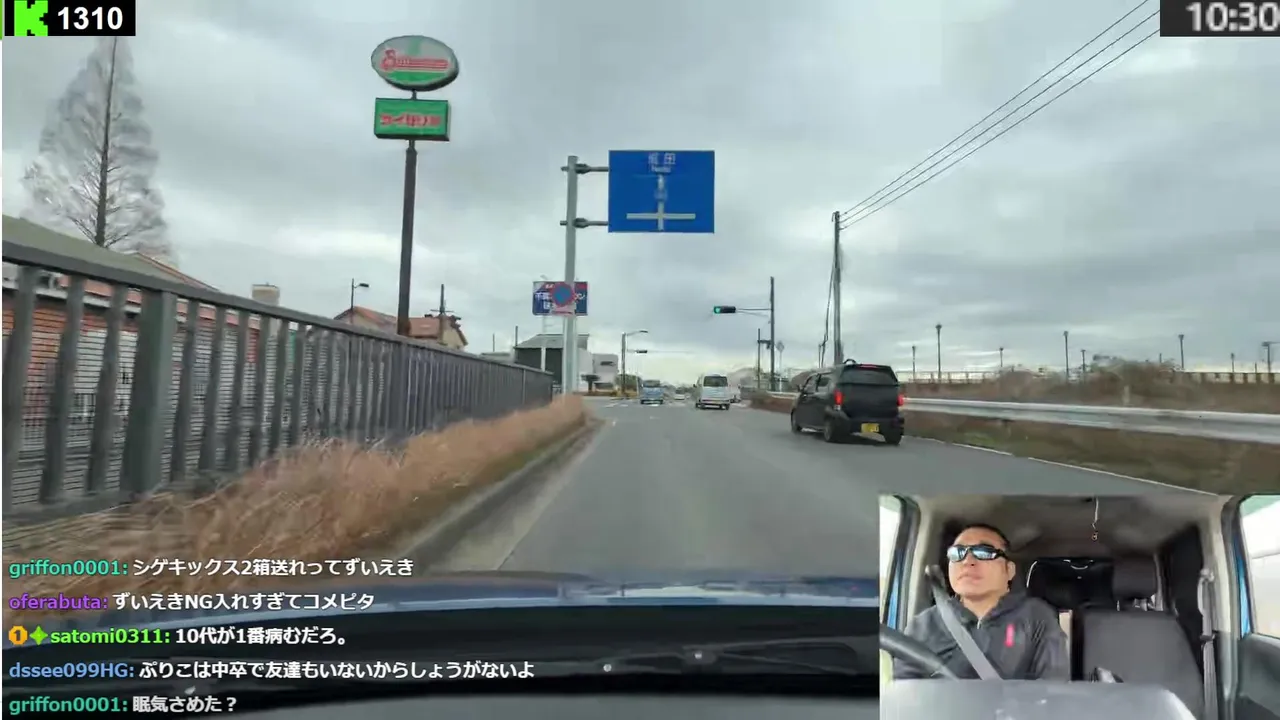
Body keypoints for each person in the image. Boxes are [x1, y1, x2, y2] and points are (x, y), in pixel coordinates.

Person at [892, 522, 1070, 680]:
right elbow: (906, 693)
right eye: (957, 553)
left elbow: (1052, 688)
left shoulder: (1037, 617)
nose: (967, 561)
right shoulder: (924, 625)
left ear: (1009, 570)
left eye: (984, 552)